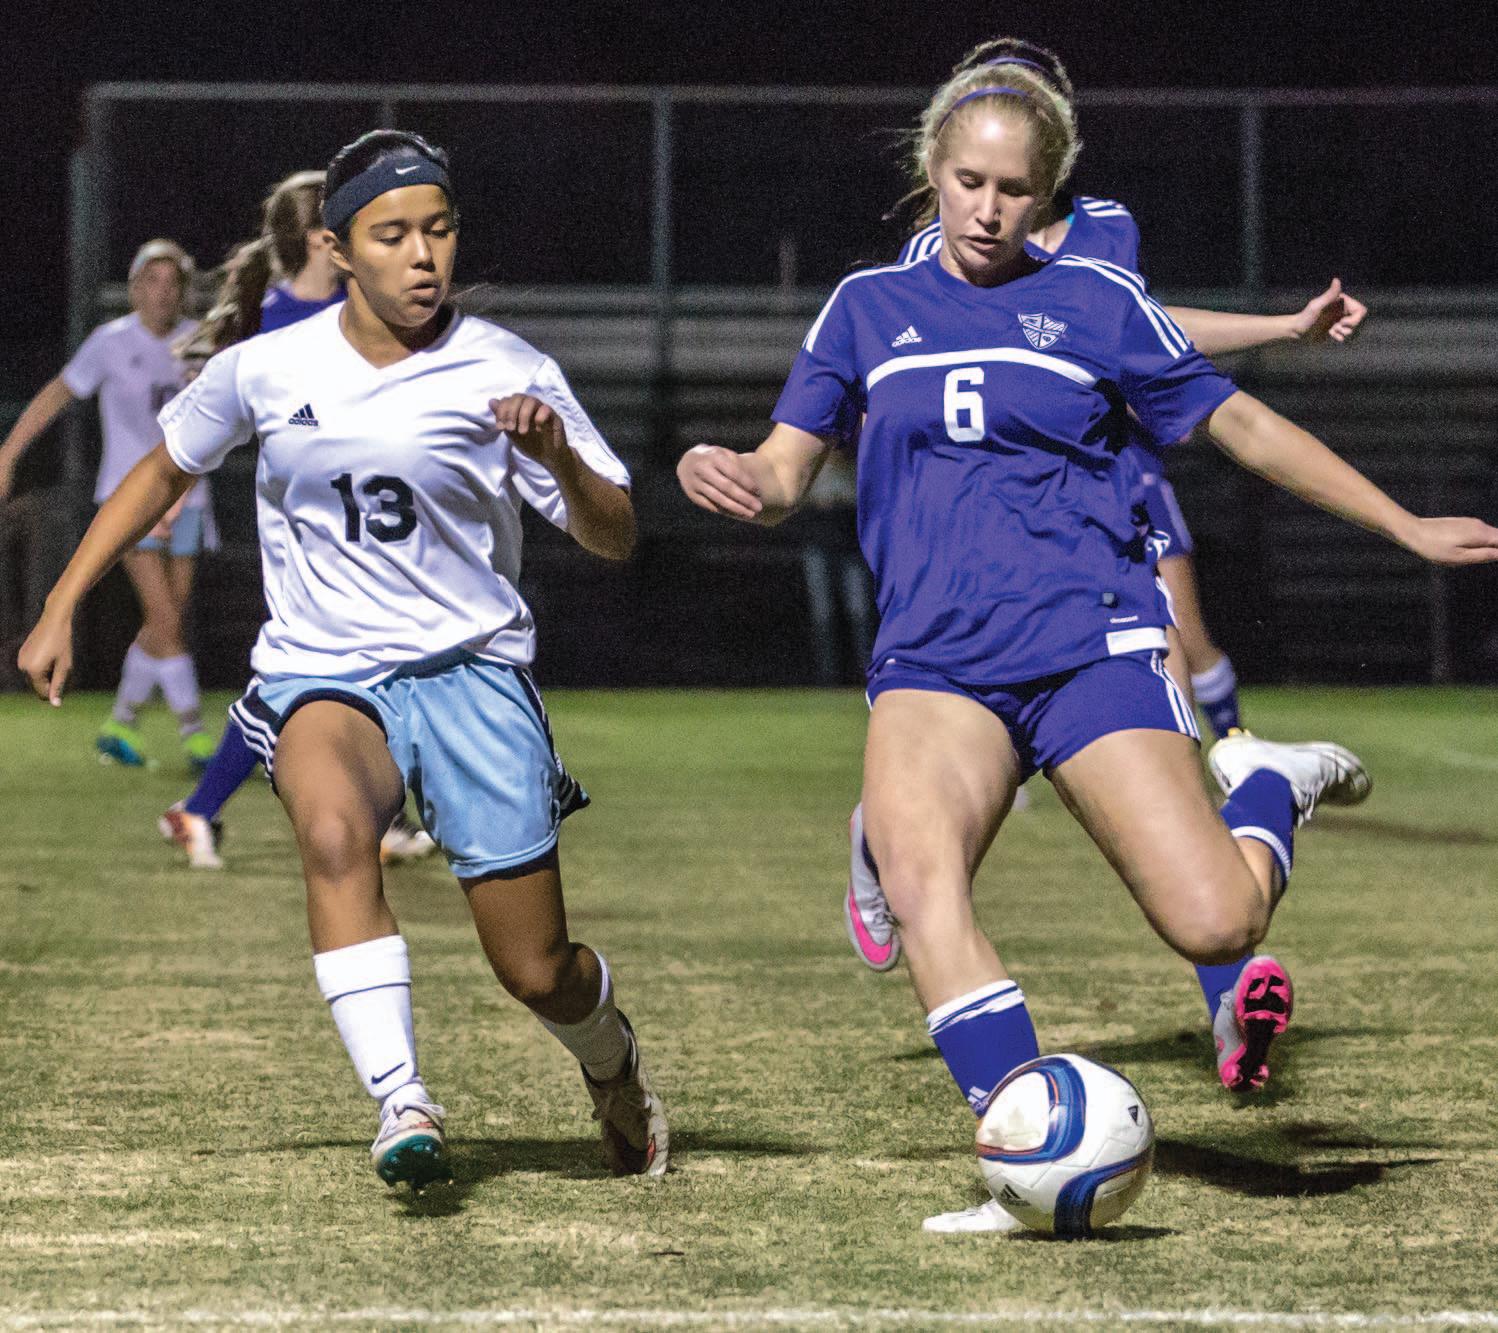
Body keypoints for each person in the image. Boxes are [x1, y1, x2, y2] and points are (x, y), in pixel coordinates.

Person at [677, 60, 1497, 1232]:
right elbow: (782, 467)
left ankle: (1267, 783)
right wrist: (731, 474)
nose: (987, 209)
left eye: (1013, 189)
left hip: (1089, 649)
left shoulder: (1097, 302)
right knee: (920, 882)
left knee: (1216, 924)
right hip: (934, 663)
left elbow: (1244, 425)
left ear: (1047, 192)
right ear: (931, 169)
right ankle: (1026, 1151)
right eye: (968, 181)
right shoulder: (863, 306)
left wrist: (1402, 522)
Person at [19, 130, 668, 1192]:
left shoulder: (508, 368)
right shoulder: (269, 365)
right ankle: (402, 1099)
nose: (422, 255)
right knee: (331, 833)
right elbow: (161, 469)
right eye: (392, 234)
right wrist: (61, 601)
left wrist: (555, 454)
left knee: (534, 967)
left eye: (438, 230)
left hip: (471, 674)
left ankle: (612, 1060)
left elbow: (616, 533)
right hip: (326, 671)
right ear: (337, 247)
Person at [843, 39, 1367, 1100]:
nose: (990, 196)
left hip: (1104, 495)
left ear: (1054, 143)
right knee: (933, 835)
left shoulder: (1103, 233)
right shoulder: (921, 258)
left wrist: (1277, 329)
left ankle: (1226, 954)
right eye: (972, 164)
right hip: (981, 556)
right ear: (944, 147)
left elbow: (1149, 330)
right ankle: (884, 839)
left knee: (1179, 655)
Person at [0, 239, 215, 771]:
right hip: (129, 501)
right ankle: (195, 736)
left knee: (167, 623)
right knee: (165, 620)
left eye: (172, 283)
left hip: (190, 497)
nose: (162, 292)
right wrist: (8, 454)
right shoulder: (111, 342)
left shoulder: (200, 340)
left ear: (183, 291)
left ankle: (120, 724)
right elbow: (57, 394)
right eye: (152, 281)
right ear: (135, 288)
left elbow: (212, 424)